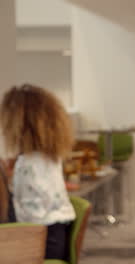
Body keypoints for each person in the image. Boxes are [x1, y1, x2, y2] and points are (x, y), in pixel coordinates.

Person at [0, 84, 76, 260]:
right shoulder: (48, 157)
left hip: (41, 241)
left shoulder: (26, 164)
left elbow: (23, 216)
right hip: (58, 234)